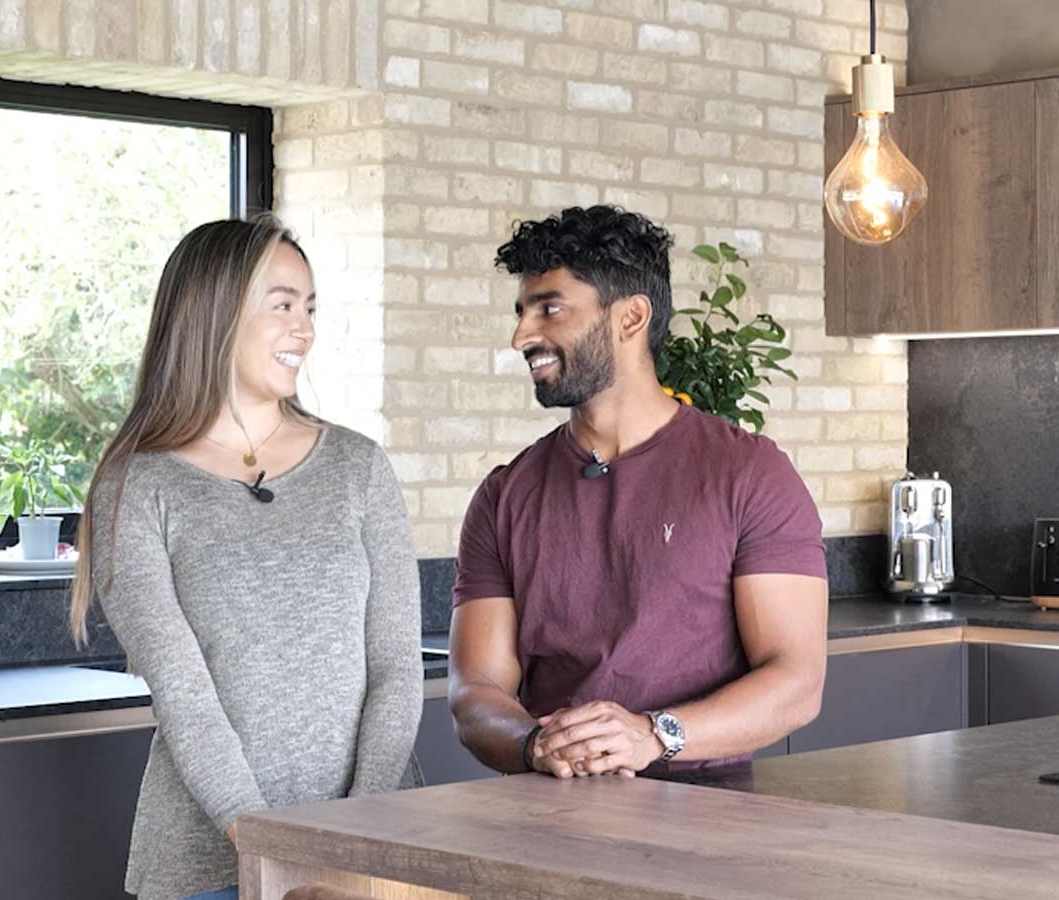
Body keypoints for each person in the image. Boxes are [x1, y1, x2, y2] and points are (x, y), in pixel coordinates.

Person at [69, 218, 423, 900]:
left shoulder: (358, 468)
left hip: (379, 857)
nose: (305, 329)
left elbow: (396, 669)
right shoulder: (137, 485)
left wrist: (359, 841)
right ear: (214, 313)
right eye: (283, 305)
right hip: (210, 866)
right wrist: (275, 854)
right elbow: (184, 696)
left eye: (311, 308)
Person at [448, 205, 828, 783]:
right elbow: (476, 691)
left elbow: (797, 681)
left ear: (631, 317)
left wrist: (653, 735)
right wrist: (533, 745)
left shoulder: (749, 473)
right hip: (546, 815)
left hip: (708, 818)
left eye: (549, 308)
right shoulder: (505, 495)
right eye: (522, 313)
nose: (522, 335)